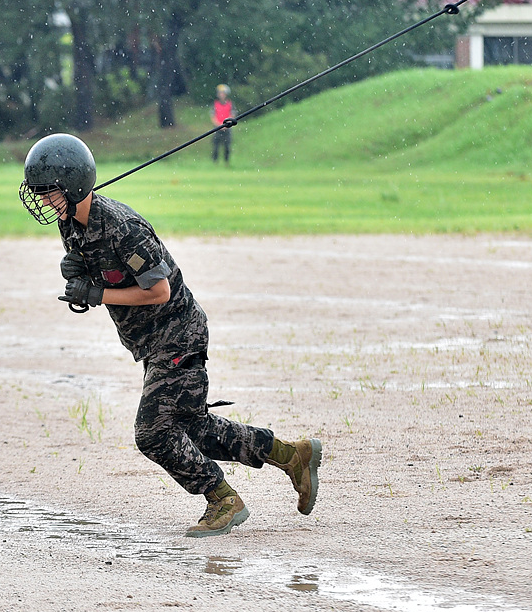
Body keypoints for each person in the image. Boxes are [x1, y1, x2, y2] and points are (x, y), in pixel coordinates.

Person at [19, 133, 321, 537]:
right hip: (155, 343)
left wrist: (96, 292)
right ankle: (292, 455)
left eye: (49, 192)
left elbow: (158, 291)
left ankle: (222, 499)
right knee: (194, 430)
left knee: (153, 433)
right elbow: (107, 275)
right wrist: (82, 279)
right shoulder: (70, 222)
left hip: (178, 335)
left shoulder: (123, 228)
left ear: (73, 186)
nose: (43, 201)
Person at [210, 84, 234, 164]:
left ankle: (226, 161)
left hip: (227, 128)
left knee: (227, 146)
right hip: (217, 127)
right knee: (215, 146)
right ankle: (215, 161)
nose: (221, 95)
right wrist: (219, 125)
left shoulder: (230, 104)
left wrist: (227, 125)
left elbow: (232, 114)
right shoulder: (215, 104)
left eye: (223, 93)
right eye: (220, 93)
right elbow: (213, 116)